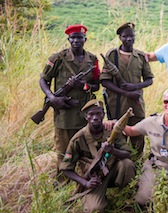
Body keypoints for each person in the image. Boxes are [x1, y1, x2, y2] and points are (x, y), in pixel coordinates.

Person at [39, 24, 100, 182]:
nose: (76, 41)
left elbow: (96, 84)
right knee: (63, 149)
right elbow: (43, 80)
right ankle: (62, 181)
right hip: (64, 113)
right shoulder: (57, 58)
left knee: (85, 148)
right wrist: (52, 98)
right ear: (68, 39)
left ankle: (84, 179)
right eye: (73, 38)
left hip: (86, 113)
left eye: (79, 38)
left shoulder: (92, 60)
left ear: (85, 39)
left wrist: (84, 86)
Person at [60, 99, 135, 212]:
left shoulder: (112, 133)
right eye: (91, 114)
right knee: (95, 209)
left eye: (98, 113)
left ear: (103, 115)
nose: (95, 117)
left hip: (111, 173)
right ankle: (95, 197)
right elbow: (66, 169)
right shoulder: (78, 139)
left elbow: (127, 154)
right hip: (94, 180)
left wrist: (113, 150)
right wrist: (85, 183)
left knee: (127, 164)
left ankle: (127, 196)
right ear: (86, 117)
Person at [100, 22, 154, 157]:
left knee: (138, 134)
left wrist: (135, 87)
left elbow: (149, 79)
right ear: (120, 37)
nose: (129, 39)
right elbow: (105, 81)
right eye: (125, 36)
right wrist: (126, 92)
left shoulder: (141, 56)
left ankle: (137, 162)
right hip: (117, 104)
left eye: (131, 36)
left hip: (136, 104)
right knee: (117, 135)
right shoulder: (112, 55)